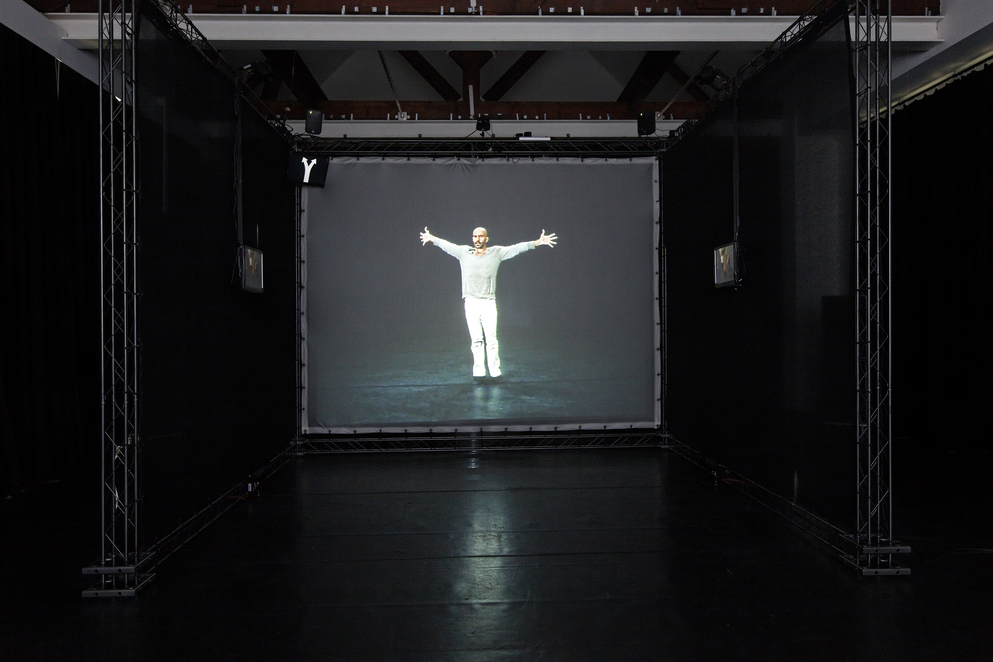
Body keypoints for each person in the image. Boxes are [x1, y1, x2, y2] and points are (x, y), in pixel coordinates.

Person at [420, 226, 557, 382]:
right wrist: (432, 238)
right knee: (476, 339)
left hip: (488, 302)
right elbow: (447, 245)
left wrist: (537, 242)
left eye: (480, 236)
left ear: (486, 239)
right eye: (475, 236)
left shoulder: (496, 253)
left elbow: (516, 248)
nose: (477, 239)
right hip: (471, 302)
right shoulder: (463, 252)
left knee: (491, 339)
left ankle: (495, 372)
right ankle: (479, 372)